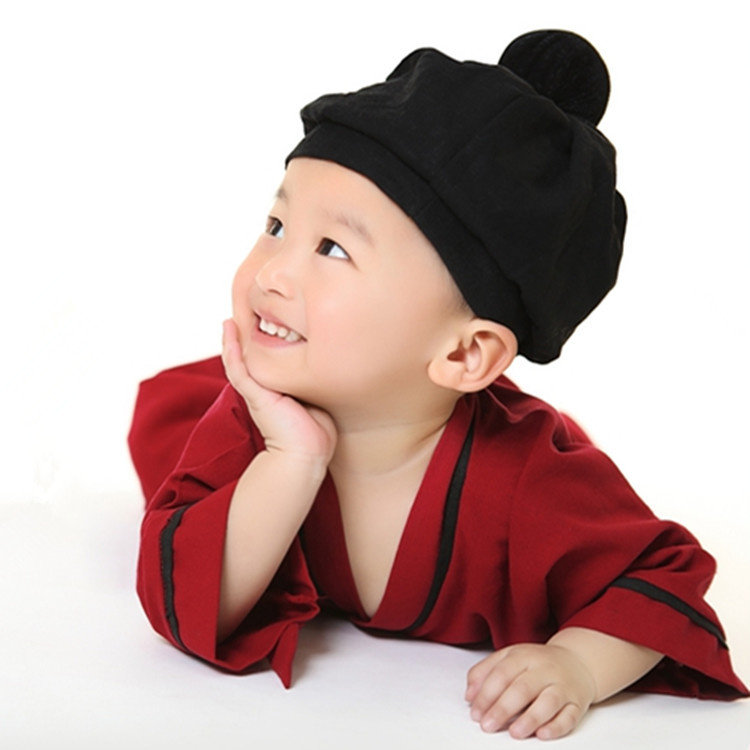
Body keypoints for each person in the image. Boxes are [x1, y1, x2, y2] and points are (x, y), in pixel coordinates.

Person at [128, 30, 748, 740]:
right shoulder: (254, 418)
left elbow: (660, 577)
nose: (270, 272)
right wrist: (292, 460)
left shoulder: (530, 481)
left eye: (333, 248)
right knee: (173, 417)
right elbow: (185, 600)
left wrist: (579, 664)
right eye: (276, 224)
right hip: (216, 411)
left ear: (465, 353)